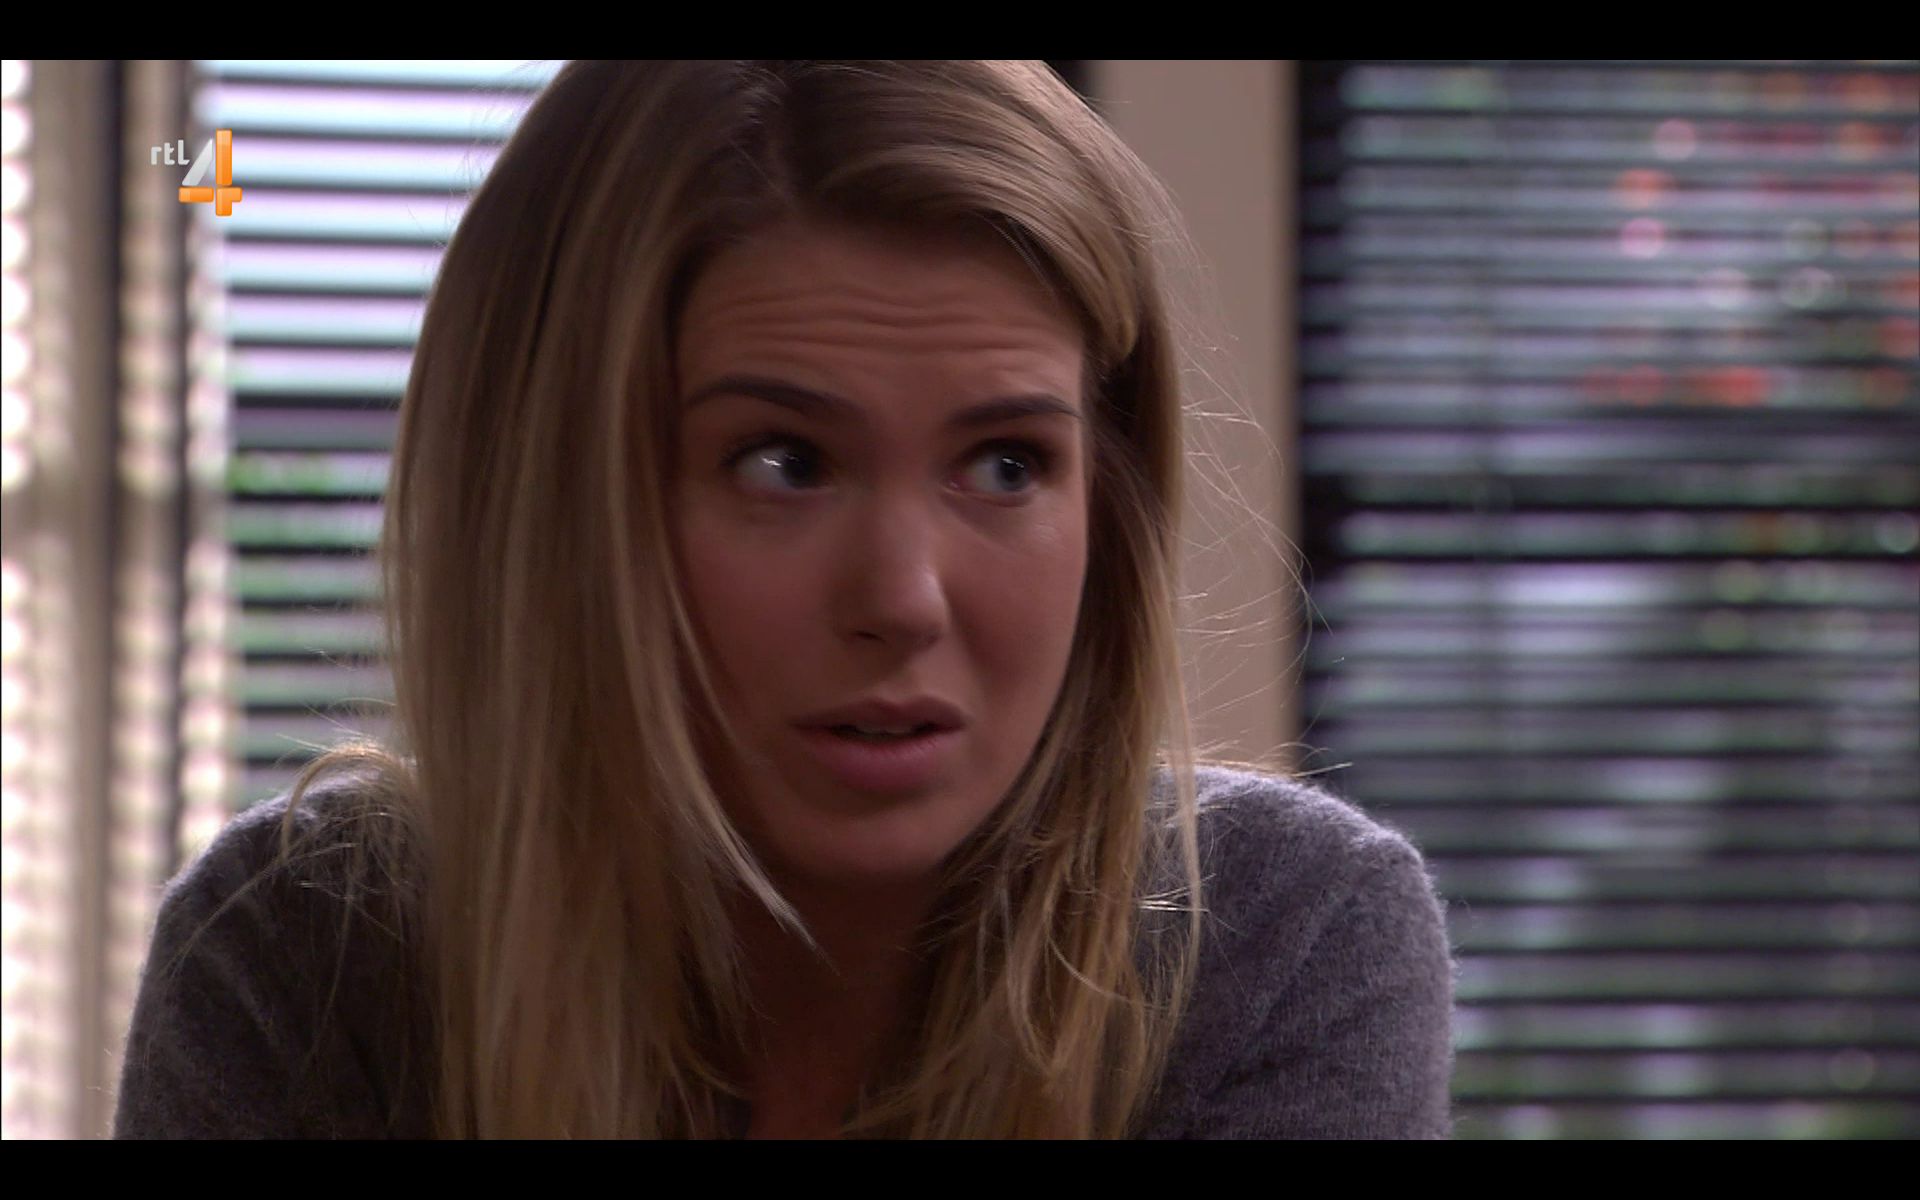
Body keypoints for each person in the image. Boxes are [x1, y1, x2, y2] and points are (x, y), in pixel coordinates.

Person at [112, 60, 1455, 1139]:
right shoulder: (309, 955)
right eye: (784, 463)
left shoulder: (1277, 944)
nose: (905, 600)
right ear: (554, 505)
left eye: (1006, 465)